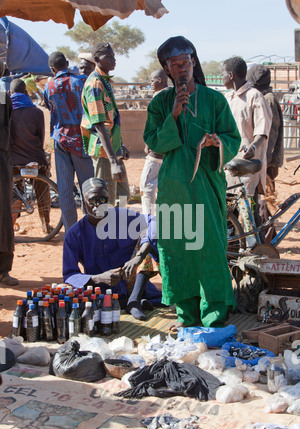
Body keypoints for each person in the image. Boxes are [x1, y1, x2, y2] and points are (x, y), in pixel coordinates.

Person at [143, 36, 241, 330]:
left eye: (186, 63)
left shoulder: (215, 100)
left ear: (193, 62)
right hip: (174, 187)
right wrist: (173, 114)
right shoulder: (160, 102)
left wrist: (216, 142)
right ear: (167, 69)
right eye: (175, 65)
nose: (182, 69)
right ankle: (187, 316)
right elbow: (153, 143)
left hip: (207, 185)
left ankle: (214, 315)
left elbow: (232, 139)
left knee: (209, 247)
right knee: (178, 249)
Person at [63, 178, 161, 320]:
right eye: (92, 201)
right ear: (84, 203)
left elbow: (155, 223)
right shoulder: (75, 234)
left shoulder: (122, 217)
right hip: (101, 291)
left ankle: (134, 300)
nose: (98, 205)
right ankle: (127, 303)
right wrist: (98, 278)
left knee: (151, 238)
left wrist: (138, 257)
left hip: (133, 284)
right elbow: (69, 275)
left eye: (102, 200)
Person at [222, 57, 272, 246]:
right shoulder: (228, 98)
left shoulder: (254, 96)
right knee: (229, 216)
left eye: (223, 74)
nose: (222, 78)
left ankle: (257, 254)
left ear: (231, 75)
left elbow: (262, 130)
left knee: (249, 216)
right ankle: (234, 254)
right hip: (229, 165)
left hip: (247, 167)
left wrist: (254, 146)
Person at [43, 51, 94, 233]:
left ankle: (71, 234)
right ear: (67, 62)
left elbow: (50, 108)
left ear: (52, 69)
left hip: (60, 140)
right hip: (81, 140)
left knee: (65, 191)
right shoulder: (80, 82)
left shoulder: (48, 87)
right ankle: (90, 232)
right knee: (88, 188)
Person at [81, 43, 130, 207]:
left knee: (123, 196)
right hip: (104, 152)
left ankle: (120, 231)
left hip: (113, 149)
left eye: (113, 56)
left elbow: (111, 118)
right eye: (108, 56)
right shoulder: (95, 84)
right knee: (105, 201)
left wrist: (121, 145)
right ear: (96, 59)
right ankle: (108, 232)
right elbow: (100, 125)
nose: (113, 60)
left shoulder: (104, 81)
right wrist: (113, 162)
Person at [9, 78, 51, 233]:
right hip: (36, 159)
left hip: (14, 161)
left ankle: (10, 224)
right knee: (43, 190)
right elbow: (41, 140)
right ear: (26, 93)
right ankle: (46, 225)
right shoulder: (37, 112)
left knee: (12, 190)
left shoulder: (7, 110)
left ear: (10, 93)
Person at [246, 64, 284, 192]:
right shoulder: (264, 98)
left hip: (267, 161)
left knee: (265, 201)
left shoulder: (268, 100)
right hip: (264, 160)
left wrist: (263, 160)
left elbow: (270, 135)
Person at [140, 69, 170, 214]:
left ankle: (149, 222)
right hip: (168, 151)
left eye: (152, 81)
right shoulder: (172, 95)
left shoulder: (159, 97)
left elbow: (157, 124)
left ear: (159, 80)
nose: (151, 84)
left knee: (146, 187)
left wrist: (150, 144)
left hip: (158, 152)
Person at [0, 60, 18, 286]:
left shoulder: (3, 96)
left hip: (1, 158)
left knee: (4, 213)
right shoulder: (4, 96)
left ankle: (3, 270)